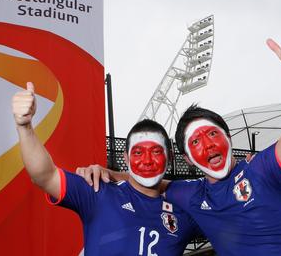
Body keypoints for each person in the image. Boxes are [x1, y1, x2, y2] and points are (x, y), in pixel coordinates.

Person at [79, 38, 281, 255]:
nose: (207, 146)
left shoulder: (262, 170)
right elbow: (151, 181)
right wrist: (111, 174)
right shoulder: (192, 194)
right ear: (186, 158)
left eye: (212, 134)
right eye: (195, 141)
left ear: (228, 138)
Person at [13, 82, 201, 255]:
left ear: (168, 159)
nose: (147, 160)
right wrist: (25, 127)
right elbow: (44, 175)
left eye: (156, 152)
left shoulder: (184, 212)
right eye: (137, 153)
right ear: (125, 158)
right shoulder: (98, 191)